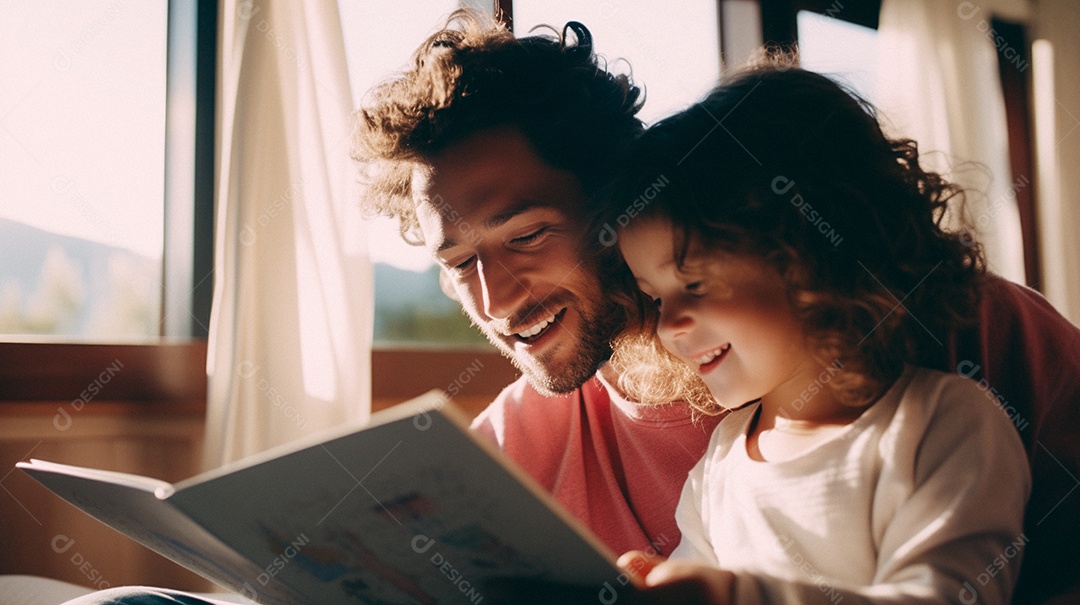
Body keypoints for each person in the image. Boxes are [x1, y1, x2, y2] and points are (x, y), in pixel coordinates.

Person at [63, 9, 1080, 605]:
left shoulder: (960, 335)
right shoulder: (525, 446)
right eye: (459, 261)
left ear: (618, 206)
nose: (496, 299)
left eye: (526, 234)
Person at [607, 60, 1032, 604]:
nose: (668, 325)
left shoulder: (943, 424)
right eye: (656, 297)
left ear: (811, 253)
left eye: (695, 281)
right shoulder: (721, 462)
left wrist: (732, 597)